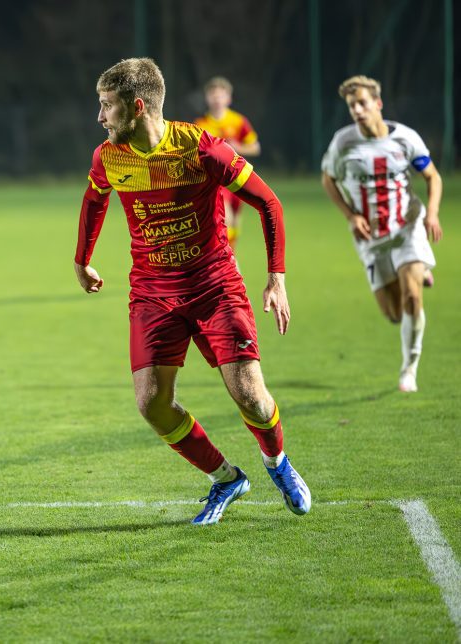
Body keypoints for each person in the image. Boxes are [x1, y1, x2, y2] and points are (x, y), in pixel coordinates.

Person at [74, 58, 310, 525]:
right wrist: (81, 260)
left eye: (107, 106)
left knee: (250, 394)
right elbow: (94, 200)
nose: (100, 117)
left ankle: (277, 462)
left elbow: (269, 202)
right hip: (152, 293)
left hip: (214, 285)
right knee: (151, 404)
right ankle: (226, 478)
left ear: (137, 107)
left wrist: (276, 278)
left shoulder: (201, 149)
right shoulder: (108, 157)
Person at [321, 75, 443, 393]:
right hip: (372, 239)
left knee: (412, 298)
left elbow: (432, 177)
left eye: (363, 103)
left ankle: (409, 370)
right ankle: (417, 271)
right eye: (352, 106)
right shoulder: (343, 143)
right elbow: (327, 179)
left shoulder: (405, 138)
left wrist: (431, 213)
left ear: (378, 104)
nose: (357, 110)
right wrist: (351, 216)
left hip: (407, 226)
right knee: (393, 314)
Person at [194, 76, 261, 253]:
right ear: (207, 98)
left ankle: (231, 256)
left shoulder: (238, 121)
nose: (217, 99)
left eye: (221, 95)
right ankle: (224, 257)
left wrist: (238, 147)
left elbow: (255, 147)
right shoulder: (200, 125)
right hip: (216, 180)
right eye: (213, 95)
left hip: (238, 177)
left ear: (228, 98)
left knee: (235, 223)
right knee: (226, 218)